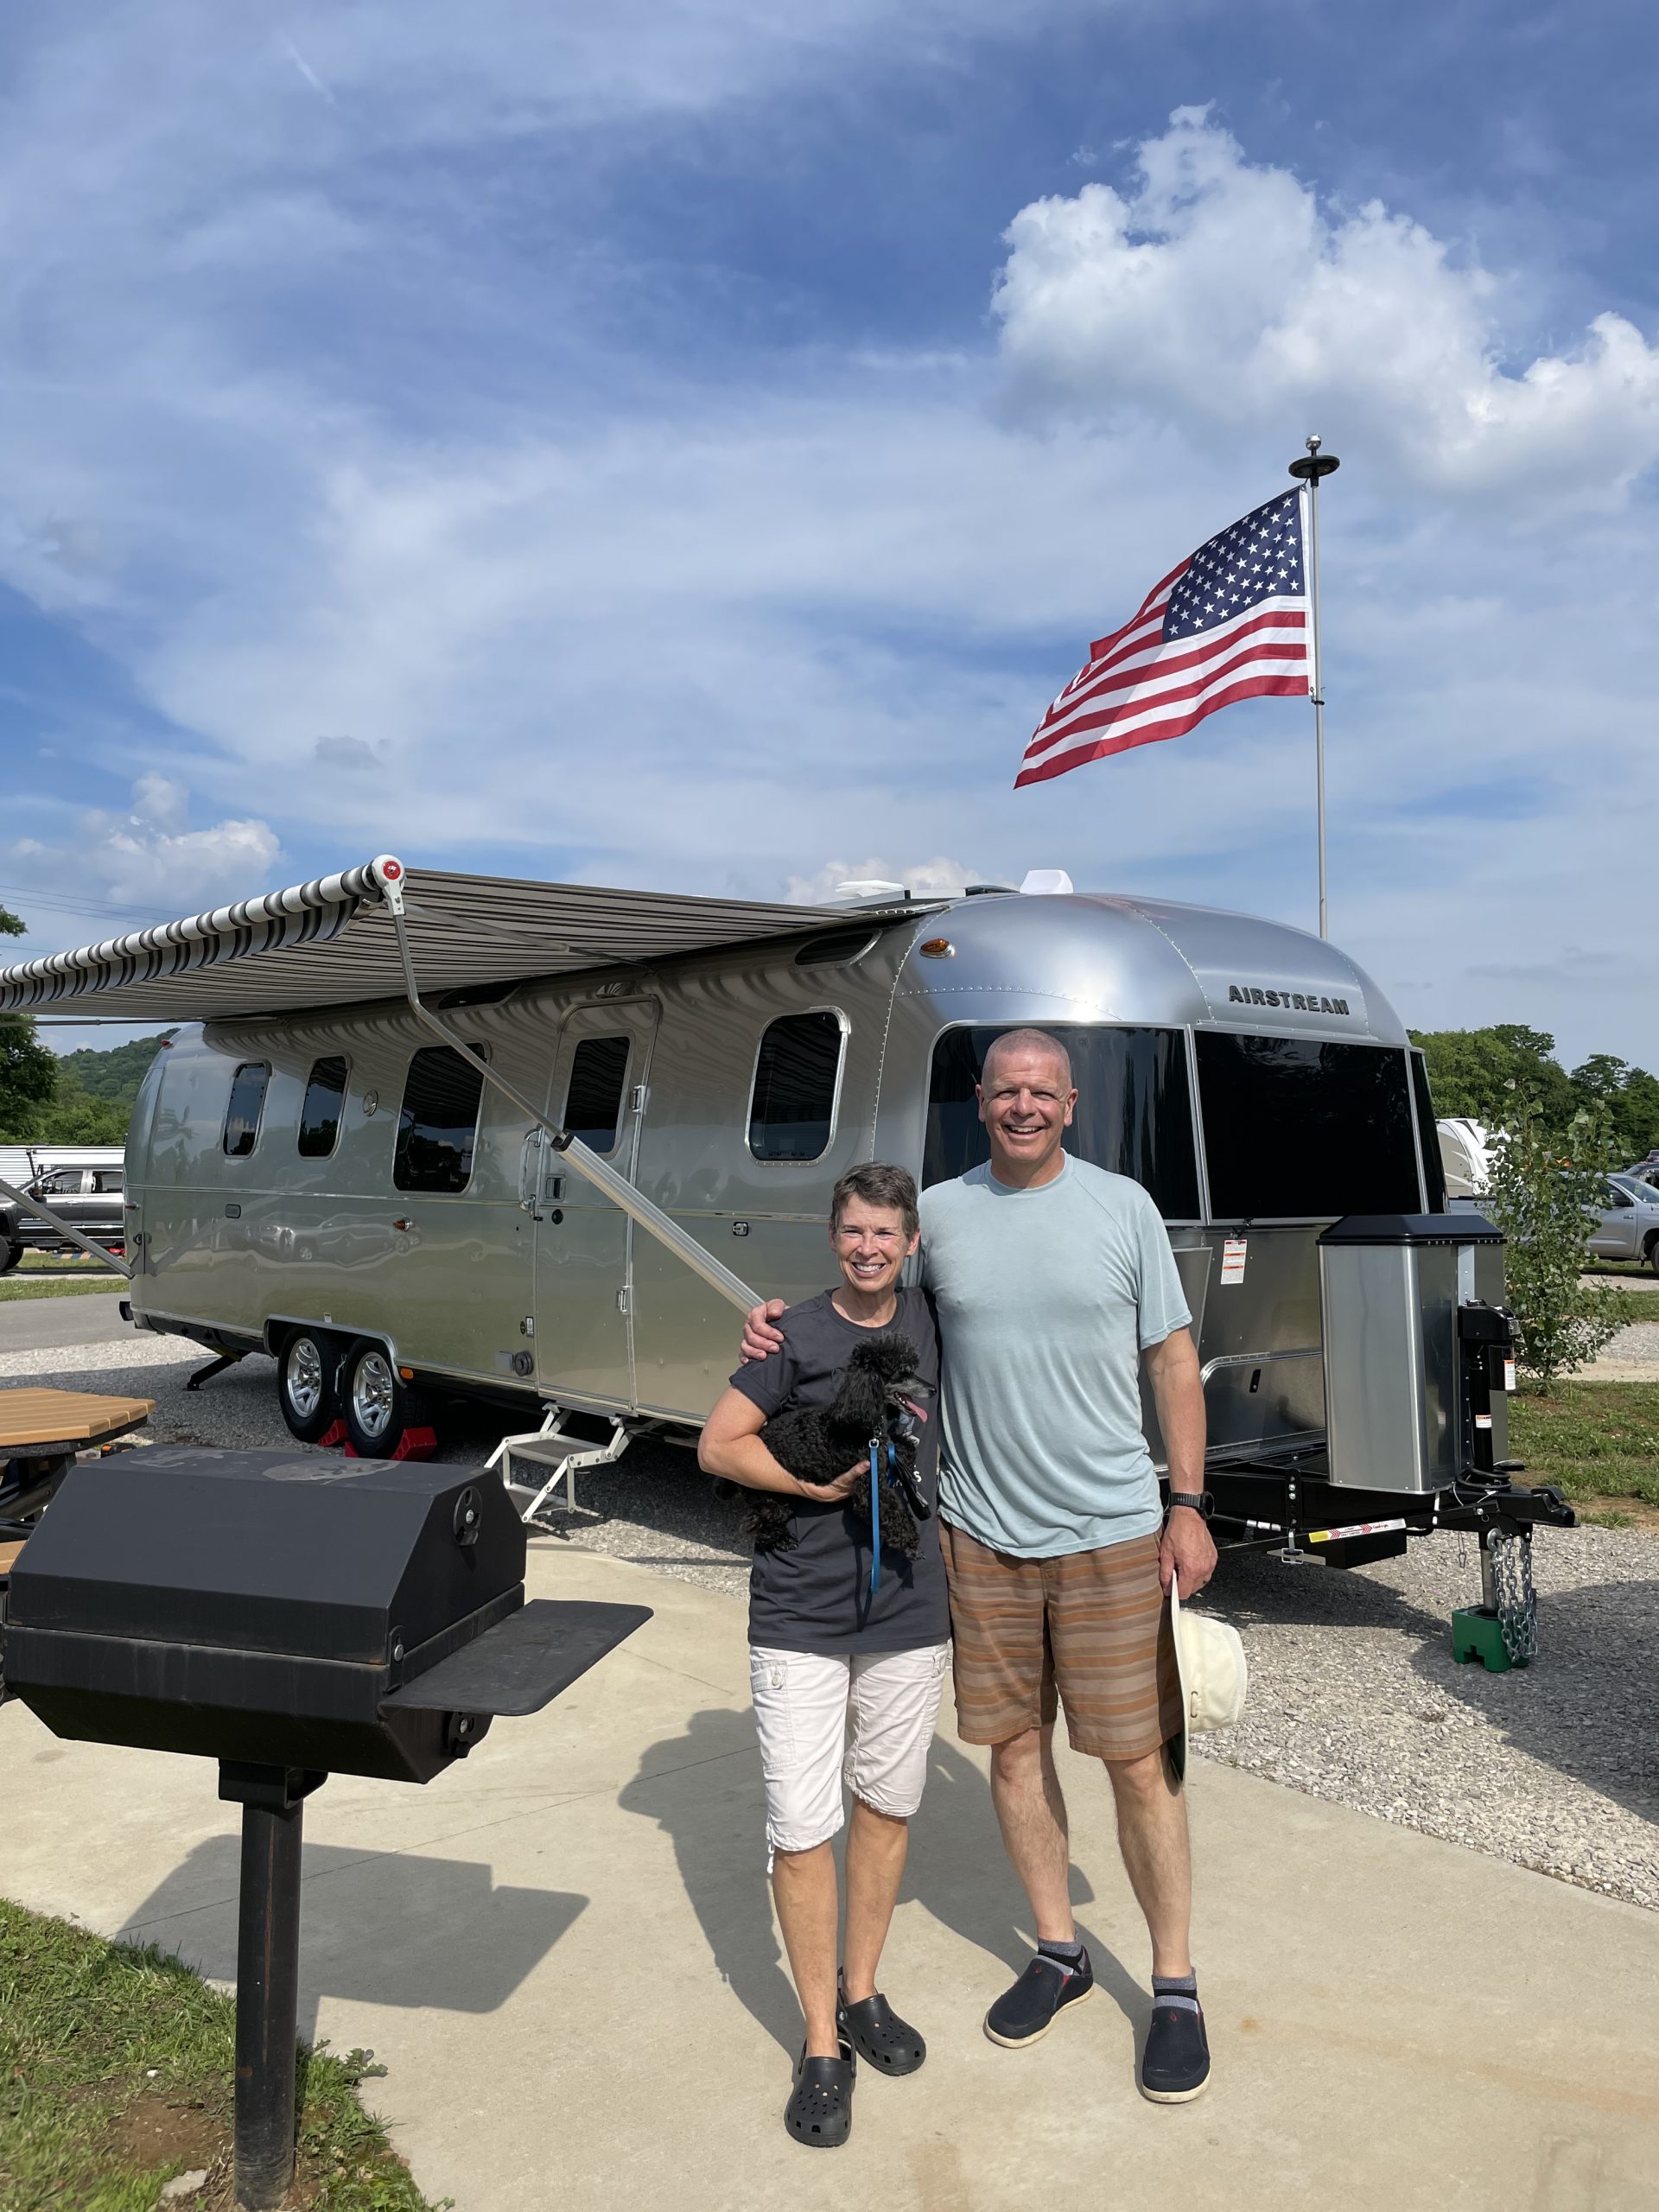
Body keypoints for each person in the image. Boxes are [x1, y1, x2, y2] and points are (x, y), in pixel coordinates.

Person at [741, 1028, 1218, 2104]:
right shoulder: (943, 1214)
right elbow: (868, 1296)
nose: (1024, 1106)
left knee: (1139, 1763)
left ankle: (1175, 1983)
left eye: (1042, 1091)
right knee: (1012, 1753)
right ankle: (1059, 1948)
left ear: (1070, 1103)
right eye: (1007, 1090)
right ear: (980, 1099)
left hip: (1110, 1531)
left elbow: (1172, 1360)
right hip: (979, 1535)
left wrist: (1187, 1504)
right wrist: (771, 1325)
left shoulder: (1124, 1209)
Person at [699, 1161, 950, 2150]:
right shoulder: (792, 1334)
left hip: (908, 1612)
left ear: (911, 1242)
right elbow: (719, 1444)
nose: (869, 1247)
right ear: (833, 1235)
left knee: (886, 1805)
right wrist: (806, 1486)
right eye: (854, 1230)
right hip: (799, 1615)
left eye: (886, 1232)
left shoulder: (934, 1323)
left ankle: (862, 1990)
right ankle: (818, 2043)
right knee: (803, 1828)